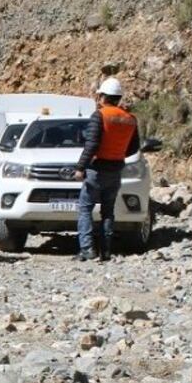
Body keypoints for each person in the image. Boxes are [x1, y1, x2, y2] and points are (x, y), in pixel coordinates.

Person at [74, 77, 140, 262]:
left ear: (102, 96)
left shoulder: (100, 115)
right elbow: (134, 147)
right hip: (116, 171)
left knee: (85, 208)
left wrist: (80, 167)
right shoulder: (130, 119)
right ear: (118, 98)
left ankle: (87, 249)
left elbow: (92, 144)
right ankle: (106, 251)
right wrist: (117, 154)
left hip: (97, 170)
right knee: (108, 211)